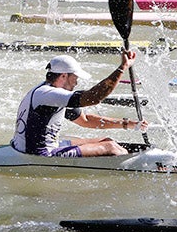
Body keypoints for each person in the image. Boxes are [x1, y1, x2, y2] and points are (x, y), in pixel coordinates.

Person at [12, 52, 145, 158]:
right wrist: (122, 68)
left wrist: (127, 124)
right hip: (39, 154)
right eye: (75, 78)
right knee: (111, 147)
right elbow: (93, 97)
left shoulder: (49, 92)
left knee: (106, 140)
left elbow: (85, 120)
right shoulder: (48, 94)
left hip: (32, 146)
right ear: (63, 76)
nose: (76, 83)